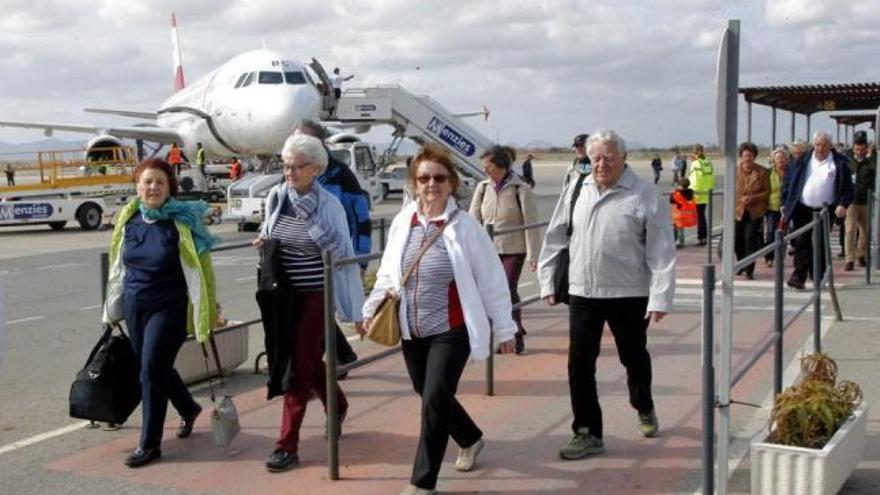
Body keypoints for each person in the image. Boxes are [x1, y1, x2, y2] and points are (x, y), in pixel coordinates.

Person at [361, 144, 517, 495]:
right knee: (429, 392)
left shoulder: (466, 228)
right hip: (412, 330)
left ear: (452, 183)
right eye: (424, 178)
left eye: (439, 177)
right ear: (414, 183)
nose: (431, 184)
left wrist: (505, 328)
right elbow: (388, 274)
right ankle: (470, 437)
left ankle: (422, 482)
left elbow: (492, 280)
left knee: (433, 398)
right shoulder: (404, 221)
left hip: (452, 329)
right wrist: (371, 308)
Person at [538, 130, 676, 460]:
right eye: (595, 158)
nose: (601, 164)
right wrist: (546, 280)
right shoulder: (576, 188)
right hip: (583, 291)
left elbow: (661, 249)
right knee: (579, 364)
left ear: (624, 159)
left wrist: (660, 297)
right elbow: (556, 234)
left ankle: (643, 404)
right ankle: (587, 432)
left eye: (608, 158)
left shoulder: (643, 193)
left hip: (628, 292)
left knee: (634, 358)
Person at [253, 134, 364, 472]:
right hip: (282, 294)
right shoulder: (277, 197)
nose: (289, 173)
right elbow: (271, 230)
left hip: (316, 295)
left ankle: (287, 445)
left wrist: (354, 310)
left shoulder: (328, 205)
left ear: (316, 168)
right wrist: (264, 241)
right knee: (309, 359)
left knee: (298, 368)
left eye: (297, 167)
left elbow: (342, 254)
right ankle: (339, 404)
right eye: (286, 166)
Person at [102, 157, 217, 468]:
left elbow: (201, 269)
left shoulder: (182, 222)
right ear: (138, 186)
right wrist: (112, 307)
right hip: (134, 304)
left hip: (169, 306)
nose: (153, 187)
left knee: (151, 368)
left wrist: (210, 305)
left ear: (170, 189)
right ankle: (188, 407)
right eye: (147, 182)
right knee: (153, 366)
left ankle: (149, 444)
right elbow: (117, 266)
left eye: (160, 182)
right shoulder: (129, 219)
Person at [293, 119, 370, 370]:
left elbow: (361, 217)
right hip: (304, 262)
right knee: (313, 312)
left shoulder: (340, 174)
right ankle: (338, 358)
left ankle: (329, 365)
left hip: (336, 258)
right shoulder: (291, 175)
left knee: (318, 312)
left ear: (319, 142)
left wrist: (361, 259)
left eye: (303, 138)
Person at [469, 145, 541, 355]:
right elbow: (473, 219)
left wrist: (533, 255)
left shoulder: (521, 189)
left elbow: (531, 224)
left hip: (513, 249)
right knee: (490, 293)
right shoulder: (482, 188)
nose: (485, 170)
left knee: (507, 289)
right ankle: (499, 337)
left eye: (488, 166)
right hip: (488, 251)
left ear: (501, 166)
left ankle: (515, 336)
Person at [782, 131, 853, 289]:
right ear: (813, 145)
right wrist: (784, 202)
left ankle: (818, 276)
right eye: (818, 145)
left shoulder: (839, 163)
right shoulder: (802, 160)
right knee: (801, 241)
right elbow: (788, 181)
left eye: (824, 145)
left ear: (830, 146)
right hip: (802, 207)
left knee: (820, 243)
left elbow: (848, 188)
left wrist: (843, 204)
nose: (820, 149)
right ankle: (798, 276)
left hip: (825, 210)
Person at [733, 142, 770, 280]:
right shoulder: (734, 171)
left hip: (754, 212)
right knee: (737, 240)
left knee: (749, 239)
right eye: (745, 155)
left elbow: (767, 192)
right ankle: (741, 263)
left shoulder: (762, 172)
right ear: (741, 157)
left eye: (750, 155)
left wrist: (753, 198)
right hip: (737, 210)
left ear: (754, 157)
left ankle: (749, 268)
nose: (747, 158)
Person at [844, 131, 876, 271]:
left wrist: (869, 157)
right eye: (857, 149)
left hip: (866, 200)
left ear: (866, 147)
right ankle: (849, 259)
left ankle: (861, 254)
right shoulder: (848, 158)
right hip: (851, 200)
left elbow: (875, 170)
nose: (859, 151)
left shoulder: (872, 159)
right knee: (850, 230)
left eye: (862, 149)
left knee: (865, 231)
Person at [764, 146, 790, 266]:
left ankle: (780, 257)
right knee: (770, 233)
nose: (780, 161)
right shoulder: (769, 172)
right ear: (774, 160)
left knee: (783, 234)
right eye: (777, 158)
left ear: (786, 159)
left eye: (782, 158)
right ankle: (769, 257)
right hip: (771, 207)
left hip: (786, 208)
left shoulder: (790, 172)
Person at [688, 144, 715, 246]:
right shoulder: (707, 162)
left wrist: (692, 191)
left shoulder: (696, 164)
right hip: (706, 192)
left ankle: (701, 238)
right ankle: (703, 237)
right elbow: (712, 177)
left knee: (700, 216)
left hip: (698, 193)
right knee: (702, 216)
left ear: (695, 153)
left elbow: (696, 179)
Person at [669, 178, 696, 248]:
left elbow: (671, 201)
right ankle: (681, 242)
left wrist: (673, 193)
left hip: (678, 213)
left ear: (680, 185)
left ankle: (678, 242)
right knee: (680, 229)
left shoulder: (677, 193)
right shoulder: (690, 192)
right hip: (686, 213)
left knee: (677, 228)